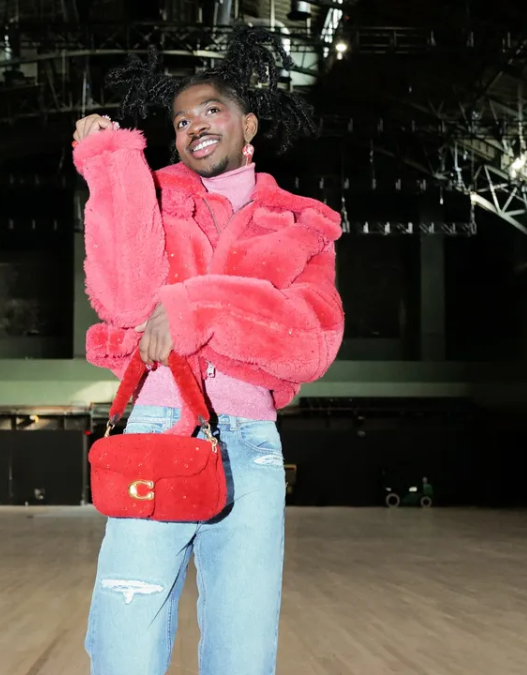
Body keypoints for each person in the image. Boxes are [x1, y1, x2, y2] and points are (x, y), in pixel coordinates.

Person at [72, 27, 344, 675]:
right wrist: (110, 167)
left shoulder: (303, 226)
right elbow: (125, 302)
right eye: (180, 120)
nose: (193, 124)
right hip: (158, 427)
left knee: (242, 649)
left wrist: (197, 306)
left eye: (211, 110)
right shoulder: (151, 197)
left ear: (248, 126)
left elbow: (309, 341)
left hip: (251, 446)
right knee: (125, 639)